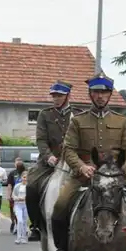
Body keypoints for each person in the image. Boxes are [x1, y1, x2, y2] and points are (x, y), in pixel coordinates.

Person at [50, 72, 126, 251]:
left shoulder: (121, 121)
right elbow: (68, 149)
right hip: (85, 173)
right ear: (90, 94)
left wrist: (122, 170)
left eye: (104, 92)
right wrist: (81, 166)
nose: (100, 96)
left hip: (117, 172)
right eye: (96, 92)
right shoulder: (78, 121)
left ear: (109, 95)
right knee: (60, 206)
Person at [26, 80, 81, 241]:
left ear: (68, 96)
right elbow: (41, 139)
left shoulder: (78, 114)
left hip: (74, 162)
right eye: (54, 95)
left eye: (59, 95)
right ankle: (36, 225)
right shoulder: (45, 114)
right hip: (50, 162)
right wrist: (48, 156)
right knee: (31, 186)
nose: (56, 98)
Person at [6, 157, 26, 234]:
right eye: (17, 162)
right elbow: (9, 185)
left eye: (20, 161)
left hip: (24, 195)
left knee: (23, 212)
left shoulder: (25, 173)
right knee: (14, 211)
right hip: (15, 195)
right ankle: (14, 223)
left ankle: (21, 227)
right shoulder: (12, 173)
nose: (18, 163)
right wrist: (9, 195)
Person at [12, 171, 29, 244]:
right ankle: (18, 238)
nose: (25, 179)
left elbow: (31, 196)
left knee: (25, 221)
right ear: (21, 177)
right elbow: (13, 195)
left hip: (26, 205)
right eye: (24, 177)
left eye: (26, 177)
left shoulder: (29, 187)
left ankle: (23, 237)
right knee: (20, 221)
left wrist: (25, 198)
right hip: (18, 205)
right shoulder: (17, 186)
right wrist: (17, 198)